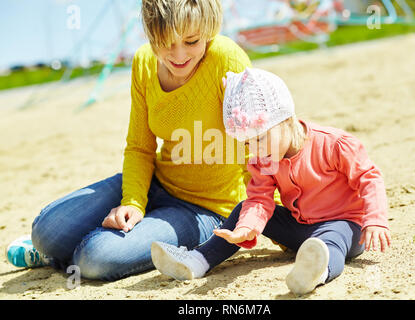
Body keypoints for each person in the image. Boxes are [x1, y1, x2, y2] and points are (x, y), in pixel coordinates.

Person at [6, 0, 260, 281]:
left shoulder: (227, 59)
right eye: (164, 42)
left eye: (191, 41)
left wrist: (271, 216)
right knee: (46, 232)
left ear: (208, 30)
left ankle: (70, 252)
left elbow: (257, 143)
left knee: (95, 259)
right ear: (151, 34)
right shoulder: (144, 62)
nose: (178, 55)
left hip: (208, 209)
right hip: (158, 182)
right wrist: (133, 202)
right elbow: (140, 147)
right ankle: (58, 250)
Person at [151, 67, 392, 296]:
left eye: (261, 138)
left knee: (330, 239)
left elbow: (368, 178)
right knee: (242, 209)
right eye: (248, 143)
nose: (256, 149)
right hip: (300, 227)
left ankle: (315, 273)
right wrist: (246, 226)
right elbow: (259, 199)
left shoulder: (334, 144)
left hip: (346, 226)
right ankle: (199, 260)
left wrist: (375, 221)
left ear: (287, 119)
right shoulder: (265, 157)